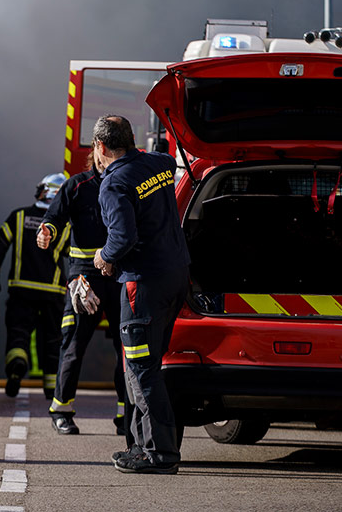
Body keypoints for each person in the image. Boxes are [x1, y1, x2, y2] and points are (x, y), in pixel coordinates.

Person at [91, 114, 190, 475]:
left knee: (141, 368)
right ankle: (138, 446)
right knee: (148, 364)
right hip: (175, 277)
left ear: (100, 147)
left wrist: (103, 256)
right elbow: (167, 157)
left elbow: (123, 237)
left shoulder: (114, 184)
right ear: (132, 139)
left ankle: (159, 453)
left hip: (142, 285)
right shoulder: (160, 164)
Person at [36, 158, 130, 438]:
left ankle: (126, 416)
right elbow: (54, 217)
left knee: (126, 350)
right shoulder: (77, 185)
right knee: (74, 345)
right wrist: (46, 232)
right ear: (98, 151)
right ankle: (61, 410)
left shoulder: (126, 184)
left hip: (119, 276)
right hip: (85, 277)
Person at [0, 174, 71, 399]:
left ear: (46, 191)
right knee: (52, 339)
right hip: (53, 293)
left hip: (21, 290)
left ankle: (16, 367)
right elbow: (74, 255)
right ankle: (51, 388)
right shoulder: (64, 225)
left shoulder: (19, 216)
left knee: (18, 333)